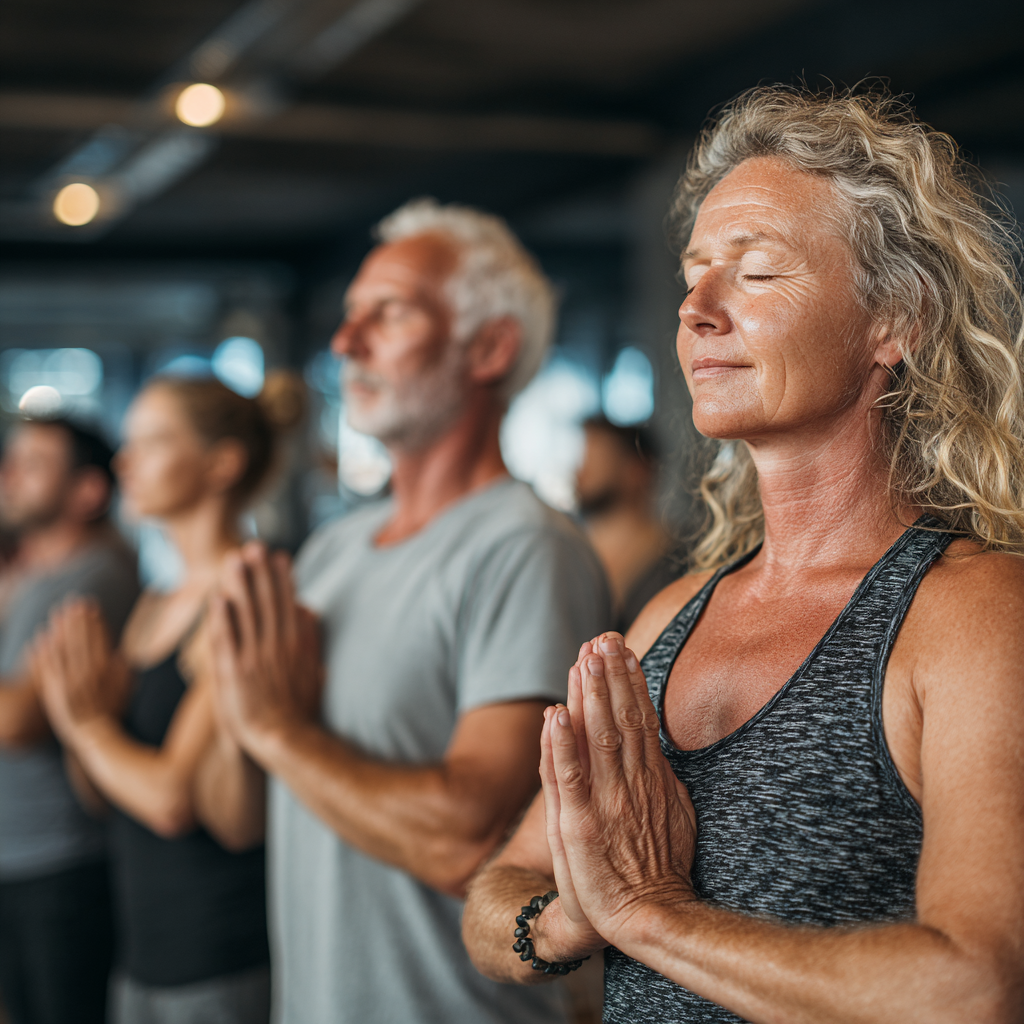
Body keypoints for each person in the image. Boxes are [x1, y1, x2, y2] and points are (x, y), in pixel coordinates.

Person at [463, 85, 1024, 1022]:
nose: (696, 309)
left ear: (896, 320)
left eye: (757, 273)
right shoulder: (669, 616)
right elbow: (495, 897)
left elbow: (976, 986)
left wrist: (648, 915)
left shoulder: (972, 615)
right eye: (694, 274)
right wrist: (569, 921)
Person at [198, 199, 610, 1024]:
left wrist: (279, 729)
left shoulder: (525, 545)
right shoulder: (329, 552)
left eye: (387, 314)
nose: (347, 344)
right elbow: (235, 817)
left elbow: (464, 843)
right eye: (348, 317)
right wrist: (231, 702)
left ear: (488, 347)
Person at [32, 375, 295, 1024]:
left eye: (152, 442)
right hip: (141, 948)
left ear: (221, 464)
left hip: (218, 949)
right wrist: (84, 729)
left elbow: (173, 799)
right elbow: (103, 794)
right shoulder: (154, 605)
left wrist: (84, 725)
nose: (126, 462)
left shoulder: (248, 591)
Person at [0, 417, 138, 1024]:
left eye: (33, 464)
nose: (8, 475)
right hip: (21, 854)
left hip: (59, 860)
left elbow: (16, 721)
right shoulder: (35, 577)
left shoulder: (94, 577)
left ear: (87, 491)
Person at [575, 416, 682, 632]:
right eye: (582, 458)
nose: (580, 472)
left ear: (636, 471)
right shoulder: (567, 552)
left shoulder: (679, 559)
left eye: (595, 459)